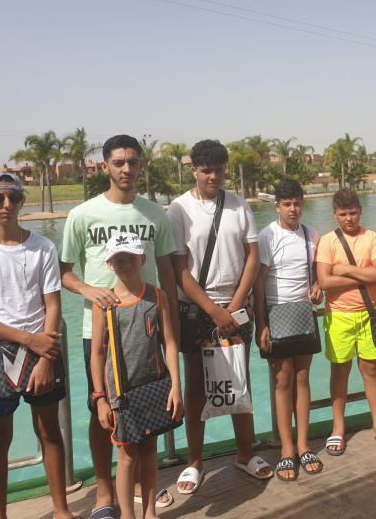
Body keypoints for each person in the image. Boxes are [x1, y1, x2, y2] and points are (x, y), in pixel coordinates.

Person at [60, 135, 178, 518]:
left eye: (133, 161)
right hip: (101, 329)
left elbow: (166, 271)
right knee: (104, 412)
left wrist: (172, 323)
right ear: (105, 166)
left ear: (141, 164)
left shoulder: (154, 214)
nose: (126, 169)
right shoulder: (83, 215)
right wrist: (89, 290)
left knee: (149, 407)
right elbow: (63, 272)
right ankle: (104, 493)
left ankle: (144, 490)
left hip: (147, 325)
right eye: (118, 162)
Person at [0, 172, 76, 519]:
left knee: (49, 430)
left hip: (41, 354)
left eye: (14, 197)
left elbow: (52, 306)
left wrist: (45, 358)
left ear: (23, 201)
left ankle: (61, 509)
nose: (6, 204)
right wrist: (29, 339)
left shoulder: (43, 247)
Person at [168, 139, 272, 495]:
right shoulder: (179, 209)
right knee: (196, 386)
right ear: (194, 170)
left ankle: (246, 452)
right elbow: (180, 270)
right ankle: (195, 461)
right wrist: (213, 311)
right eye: (206, 170)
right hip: (197, 309)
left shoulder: (239, 205)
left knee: (239, 381)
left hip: (235, 305)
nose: (213, 176)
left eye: (218, 170)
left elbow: (252, 257)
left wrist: (233, 307)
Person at [91, 234, 183, 519]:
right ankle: (128, 515)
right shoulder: (104, 304)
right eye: (119, 259)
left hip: (153, 384)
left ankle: (150, 511)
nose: (126, 264)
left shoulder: (157, 296)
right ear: (109, 264)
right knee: (127, 456)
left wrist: (176, 385)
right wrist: (100, 398)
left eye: (131, 257)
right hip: (120, 393)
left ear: (142, 259)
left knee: (150, 450)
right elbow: (97, 353)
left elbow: (169, 342)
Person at [315, 188, 376, 455]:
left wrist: (347, 270)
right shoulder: (328, 241)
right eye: (343, 214)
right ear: (335, 214)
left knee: (371, 369)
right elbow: (325, 281)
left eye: (353, 213)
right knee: (340, 371)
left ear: (360, 211)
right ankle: (338, 428)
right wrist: (365, 275)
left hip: (369, 315)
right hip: (338, 316)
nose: (349, 219)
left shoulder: (372, 237)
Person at [254, 179, 323, 480]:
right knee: (283, 382)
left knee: (303, 378)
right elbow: (258, 283)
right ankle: (286, 449)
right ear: (277, 207)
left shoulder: (311, 234)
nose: (293, 209)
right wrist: (261, 324)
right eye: (287, 204)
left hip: (304, 313)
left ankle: (304, 444)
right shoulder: (267, 236)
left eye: (297, 203)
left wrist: (318, 286)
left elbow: (316, 274)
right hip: (276, 313)